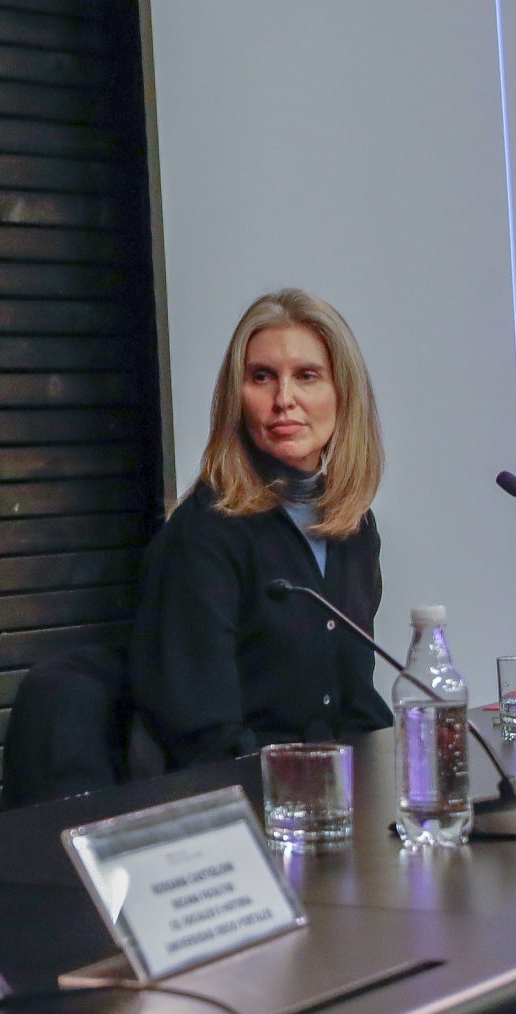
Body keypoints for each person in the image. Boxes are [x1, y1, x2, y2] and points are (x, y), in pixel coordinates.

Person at [128, 288, 394, 769]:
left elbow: (356, 704)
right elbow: (205, 740)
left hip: (338, 793)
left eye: (307, 376)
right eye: (262, 377)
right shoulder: (204, 536)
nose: (283, 400)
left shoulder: (354, 528)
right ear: (237, 398)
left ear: (343, 394)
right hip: (252, 797)